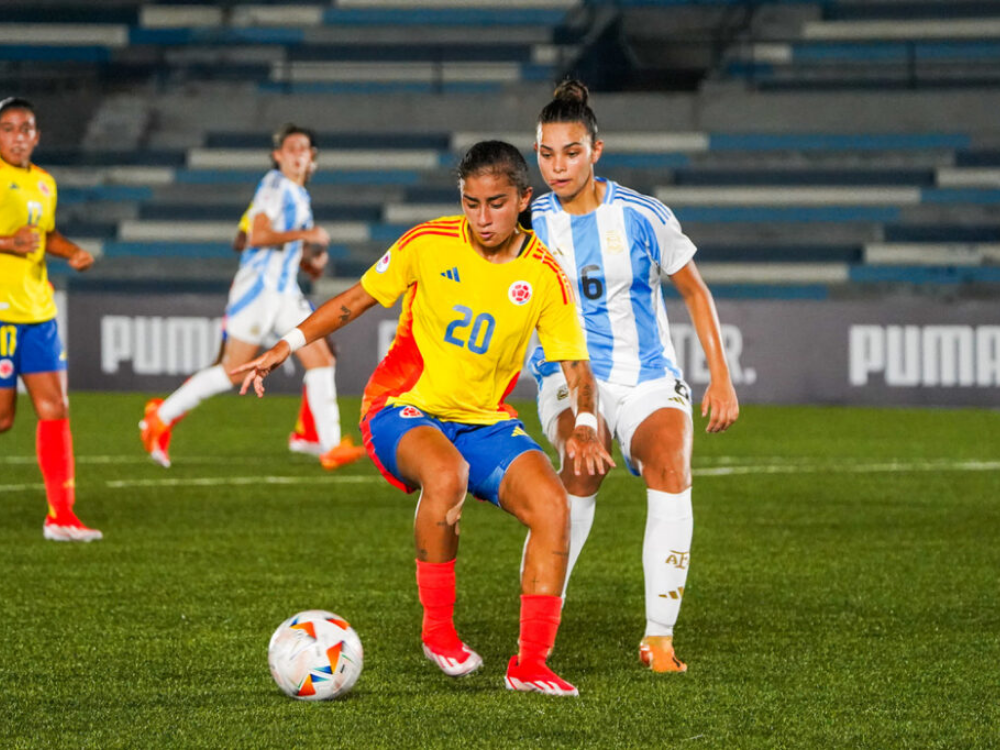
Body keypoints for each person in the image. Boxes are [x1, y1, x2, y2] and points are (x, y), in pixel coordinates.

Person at [235, 141, 615, 697]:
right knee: (446, 473)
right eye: (470, 203)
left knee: (554, 506)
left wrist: (584, 421)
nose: (481, 218)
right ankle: (437, 632)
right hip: (401, 407)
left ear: (523, 200)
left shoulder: (544, 277)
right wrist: (286, 345)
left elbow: (578, 367)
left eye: (496, 203)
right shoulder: (428, 243)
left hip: (483, 421)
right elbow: (355, 301)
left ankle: (530, 664)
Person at [528, 80, 740, 672]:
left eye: (571, 152)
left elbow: (694, 292)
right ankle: (541, 622)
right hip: (564, 376)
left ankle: (659, 636)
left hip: (647, 374)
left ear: (596, 150)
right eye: (546, 153)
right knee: (580, 464)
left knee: (671, 462)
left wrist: (720, 378)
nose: (557, 166)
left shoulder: (644, 215)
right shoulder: (528, 221)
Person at [139, 124, 365, 470]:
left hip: (284, 291)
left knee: (321, 359)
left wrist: (308, 260)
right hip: (258, 291)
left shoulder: (297, 194)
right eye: (290, 148)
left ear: (312, 157)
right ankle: (160, 417)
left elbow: (272, 241)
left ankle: (329, 445)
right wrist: (308, 234)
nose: (297, 154)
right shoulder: (274, 186)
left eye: (304, 149)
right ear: (278, 156)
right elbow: (257, 236)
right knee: (232, 371)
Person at [0, 97, 102, 542]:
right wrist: (6, 243)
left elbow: (45, 236)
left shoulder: (43, 183)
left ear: (37, 136)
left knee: (56, 407)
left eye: (26, 128)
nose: (18, 136)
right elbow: (17, 241)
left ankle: (61, 516)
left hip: (38, 313)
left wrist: (70, 250)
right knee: (3, 417)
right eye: (8, 128)